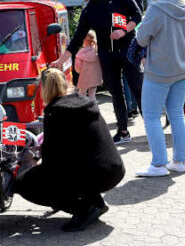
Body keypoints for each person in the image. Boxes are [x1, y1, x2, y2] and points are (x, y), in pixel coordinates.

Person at [13, 69, 124, 232]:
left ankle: (83, 210)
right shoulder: (85, 102)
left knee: (25, 183)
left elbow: (52, 161)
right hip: (114, 169)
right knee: (76, 169)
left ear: (44, 89)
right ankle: (96, 204)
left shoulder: (55, 111)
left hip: (96, 174)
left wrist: (33, 164)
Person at [51, 0, 143, 145]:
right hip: (106, 54)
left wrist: (123, 31)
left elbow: (138, 15)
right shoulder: (88, 10)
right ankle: (123, 131)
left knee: (137, 87)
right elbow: (77, 39)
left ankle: (151, 127)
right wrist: (60, 61)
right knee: (115, 93)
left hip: (127, 49)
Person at [135, 0, 185, 177]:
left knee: (151, 117)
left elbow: (141, 38)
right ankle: (180, 161)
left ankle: (159, 165)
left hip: (159, 70)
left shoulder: (156, 9)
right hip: (183, 67)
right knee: (177, 113)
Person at [74, 30, 102, 101]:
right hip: (95, 78)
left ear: (84, 40)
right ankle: (94, 110)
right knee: (92, 95)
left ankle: (84, 111)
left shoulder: (81, 53)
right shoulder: (97, 51)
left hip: (84, 78)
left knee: (82, 95)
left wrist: (81, 71)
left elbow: (78, 67)